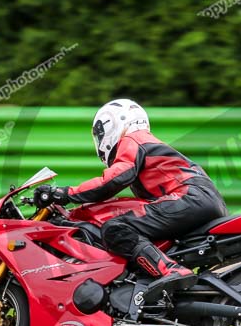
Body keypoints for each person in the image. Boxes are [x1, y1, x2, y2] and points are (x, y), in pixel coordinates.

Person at [34, 98, 227, 301]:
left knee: (115, 228)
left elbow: (113, 180)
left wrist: (65, 193)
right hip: (199, 199)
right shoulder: (147, 144)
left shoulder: (134, 139)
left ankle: (170, 270)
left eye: (100, 133)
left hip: (189, 197)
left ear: (114, 123)